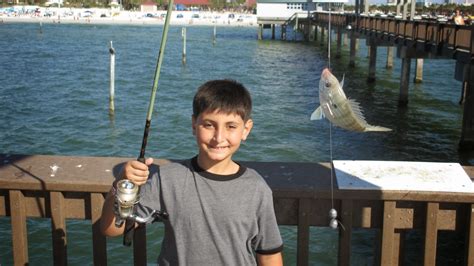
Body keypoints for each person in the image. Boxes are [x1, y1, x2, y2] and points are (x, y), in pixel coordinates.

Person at [100, 79, 284, 265]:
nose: (219, 137)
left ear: (246, 130)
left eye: (231, 126)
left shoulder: (257, 188)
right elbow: (112, 229)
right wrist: (122, 182)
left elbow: (269, 254)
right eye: (209, 125)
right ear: (194, 125)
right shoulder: (168, 179)